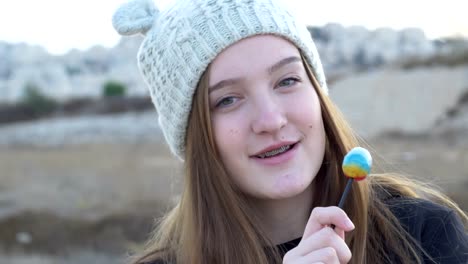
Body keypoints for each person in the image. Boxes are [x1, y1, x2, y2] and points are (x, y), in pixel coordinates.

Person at [112, 0, 468, 263]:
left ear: (317, 92)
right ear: (195, 138)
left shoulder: (424, 235)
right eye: (227, 100)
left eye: (287, 80)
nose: (271, 119)